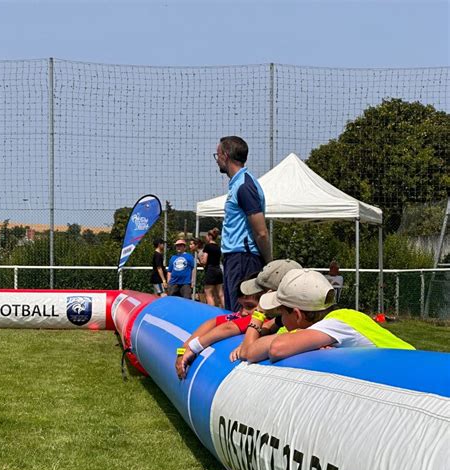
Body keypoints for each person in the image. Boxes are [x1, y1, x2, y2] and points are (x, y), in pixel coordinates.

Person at [245, 268, 415, 364]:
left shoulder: (333, 325)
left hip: (408, 375)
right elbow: (251, 351)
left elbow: (276, 348)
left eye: (281, 311)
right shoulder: (347, 315)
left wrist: (258, 315)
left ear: (297, 315)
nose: (280, 317)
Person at [175, 273, 274, 379]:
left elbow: (228, 327)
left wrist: (194, 347)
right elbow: (213, 322)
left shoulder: (262, 318)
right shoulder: (240, 315)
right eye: (241, 305)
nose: (244, 312)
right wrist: (183, 349)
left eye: (250, 306)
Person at [214, 136, 271, 311]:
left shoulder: (245, 186)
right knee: (233, 313)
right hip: (235, 259)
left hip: (243, 259)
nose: (217, 161)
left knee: (242, 315)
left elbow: (261, 232)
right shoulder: (238, 184)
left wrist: (269, 264)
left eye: (217, 156)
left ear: (225, 155)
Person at [200, 227, 224, 308]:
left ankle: (212, 313)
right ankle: (225, 310)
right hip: (218, 270)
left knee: (208, 293)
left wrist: (201, 260)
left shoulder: (208, 246)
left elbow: (204, 261)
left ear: (210, 236)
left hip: (210, 270)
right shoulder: (218, 247)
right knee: (220, 294)